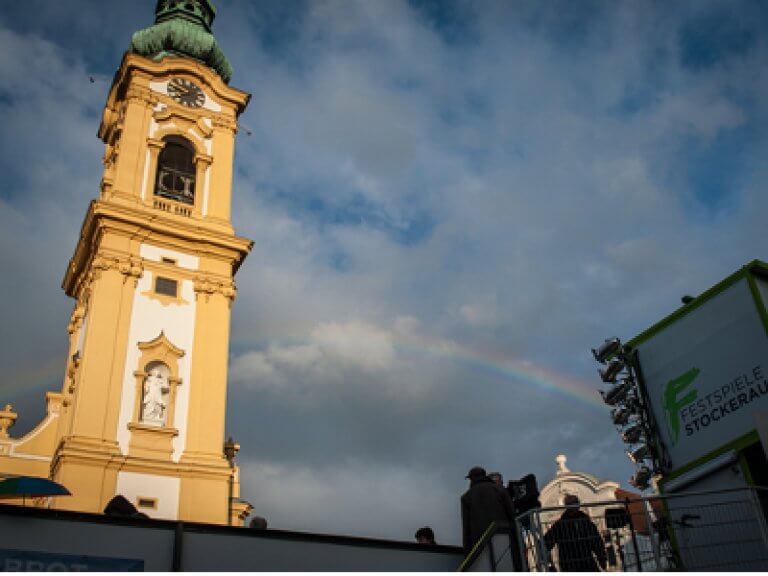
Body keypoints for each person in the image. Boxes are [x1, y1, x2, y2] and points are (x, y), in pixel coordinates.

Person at [460, 466, 516, 554]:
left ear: (471, 479)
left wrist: (467, 554)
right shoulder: (500, 489)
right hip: (505, 539)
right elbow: (512, 515)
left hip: (481, 546)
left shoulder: (466, 497)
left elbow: (466, 529)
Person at [544, 494, 607, 572]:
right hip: (571, 564)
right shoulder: (560, 525)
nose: (574, 505)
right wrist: (550, 564)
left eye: (575, 502)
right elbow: (546, 543)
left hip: (584, 562)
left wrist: (602, 558)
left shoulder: (585, 522)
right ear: (567, 506)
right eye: (571, 503)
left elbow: (596, 541)